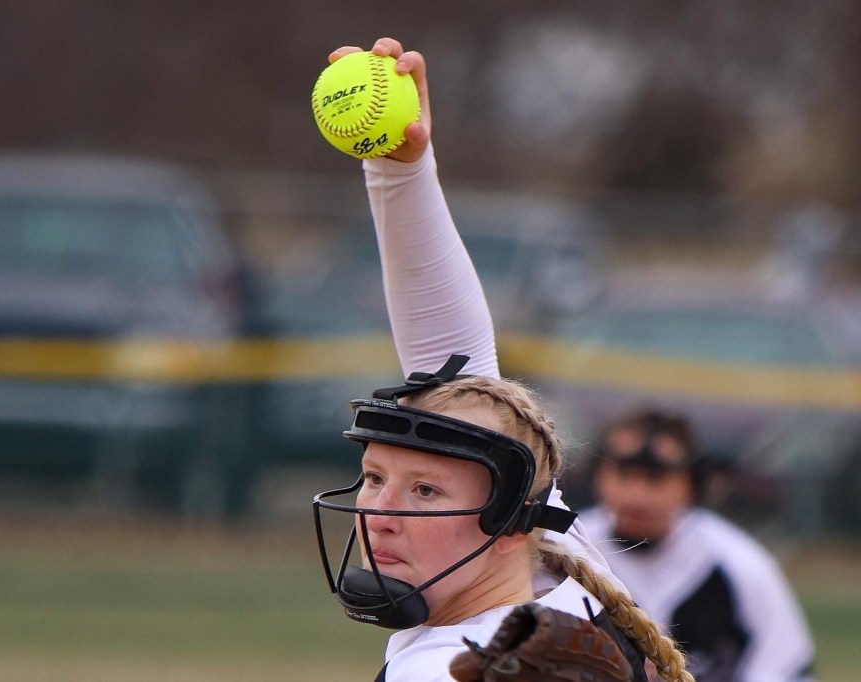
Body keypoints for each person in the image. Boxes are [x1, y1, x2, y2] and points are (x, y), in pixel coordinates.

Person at [311, 38, 694, 682]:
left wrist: (399, 172)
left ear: (511, 519)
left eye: (425, 491)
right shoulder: (549, 580)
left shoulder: (446, 667)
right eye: (375, 477)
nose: (380, 513)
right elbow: (451, 357)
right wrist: (399, 168)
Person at [578, 408, 817, 681]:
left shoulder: (737, 564)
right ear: (597, 475)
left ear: (692, 484)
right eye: (624, 474)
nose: (636, 495)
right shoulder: (566, 549)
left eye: (656, 478)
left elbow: (785, 668)